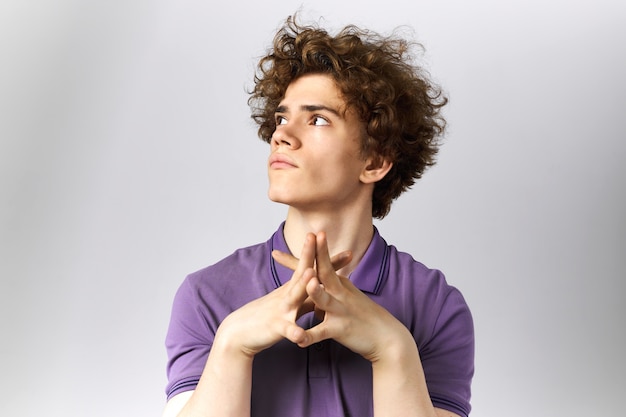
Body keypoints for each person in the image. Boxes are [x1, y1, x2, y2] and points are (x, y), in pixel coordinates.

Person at [162, 15, 474, 417]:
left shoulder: (435, 306)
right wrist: (232, 345)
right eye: (280, 118)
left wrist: (392, 348)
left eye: (318, 119)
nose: (282, 135)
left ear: (376, 161)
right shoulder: (205, 296)